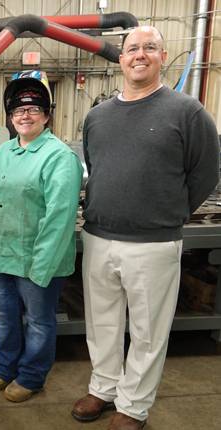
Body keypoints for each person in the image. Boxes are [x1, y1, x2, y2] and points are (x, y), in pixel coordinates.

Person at [72, 26, 219, 430]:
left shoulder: (186, 112)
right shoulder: (98, 116)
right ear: (121, 59)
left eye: (149, 48)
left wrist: (170, 211)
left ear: (162, 55)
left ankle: (132, 406)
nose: (140, 55)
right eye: (132, 48)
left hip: (154, 242)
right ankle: (103, 388)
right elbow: (96, 168)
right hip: (99, 236)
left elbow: (205, 173)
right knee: (101, 322)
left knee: (147, 330)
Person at [0, 71, 83, 402]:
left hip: (36, 260)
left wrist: (42, 266)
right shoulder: (4, 152)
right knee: (4, 318)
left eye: (34, 109)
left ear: (47, 115)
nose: (25, 115)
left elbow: (59, 218)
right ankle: (5, 369)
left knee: (38, 322)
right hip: (0, 256)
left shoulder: (59, 157)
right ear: (10, 116)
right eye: (19, 110)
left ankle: (32, 376)